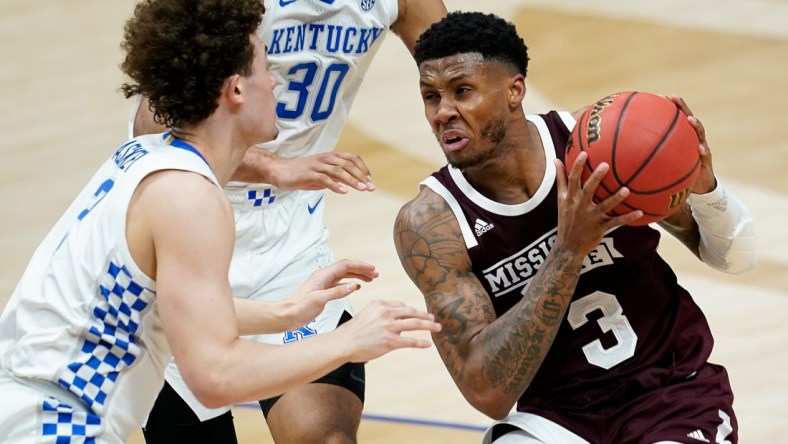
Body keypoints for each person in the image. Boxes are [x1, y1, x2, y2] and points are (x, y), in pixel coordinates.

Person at [0, 0, 442, 442]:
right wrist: (352, 340)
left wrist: (287, 313)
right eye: (265, 69)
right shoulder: (188, 197)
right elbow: (214, 377)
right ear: (235, 90)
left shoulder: (150, 162)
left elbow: (174, 311)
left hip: (30, 402)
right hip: (53, 424)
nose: (275, 82)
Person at [393, 11, 758, 444]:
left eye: (462, 92)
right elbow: (484, 391)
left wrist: (706, 190)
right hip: (558, 420)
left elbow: (735, 258)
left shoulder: (598, 149)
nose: (443, 113)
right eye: (431, 97)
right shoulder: (432, 223)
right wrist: (567, 253)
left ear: (514, 90)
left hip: (669, 391)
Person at [130, 0, 449, 443]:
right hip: (188, 230)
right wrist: (276, 167)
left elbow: (465, 69)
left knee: (325, 438)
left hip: (290, 239)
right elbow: (153, 127)